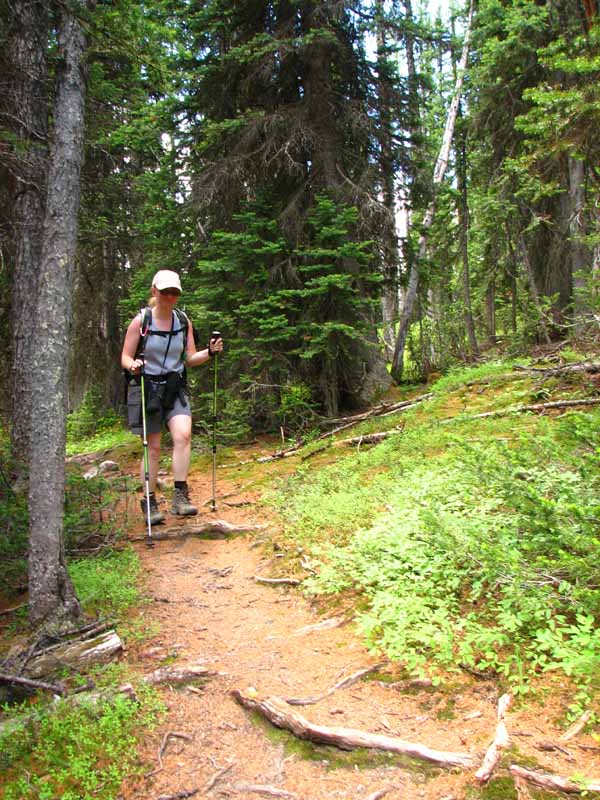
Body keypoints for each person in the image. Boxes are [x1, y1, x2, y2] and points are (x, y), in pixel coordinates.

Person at [121, 269, 223, 525]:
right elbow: (124, 356)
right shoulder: (141, 321)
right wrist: (133, 365)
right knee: (153, 447)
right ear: (154, 291)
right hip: (148, 387)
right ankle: (149, 500)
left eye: (174, 293)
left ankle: (180, 497)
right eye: (165, 292)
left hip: (174, 387)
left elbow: (189, 358)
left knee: (183, 435)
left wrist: (209, 353)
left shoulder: (182, 321)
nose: (169, 297)